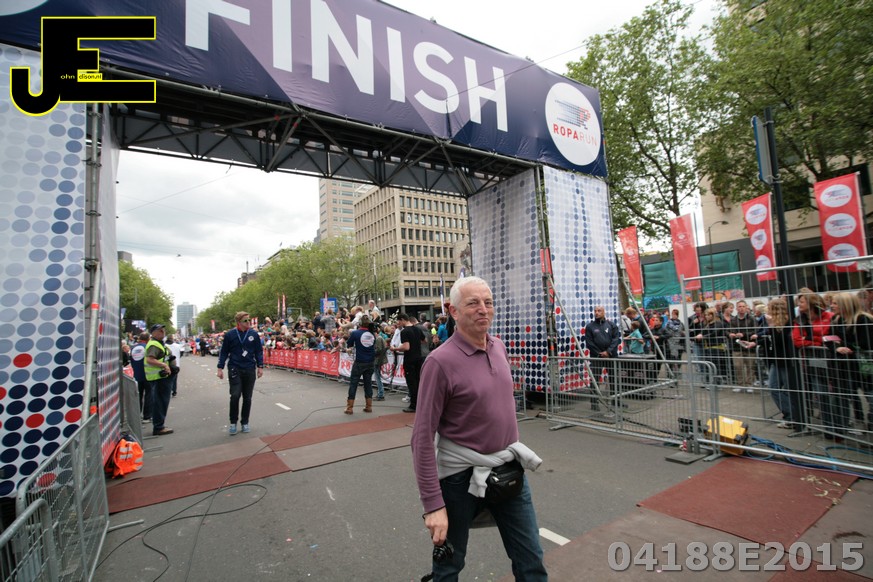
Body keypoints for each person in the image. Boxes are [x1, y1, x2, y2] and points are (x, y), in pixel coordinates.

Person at [411, 276, 547, 581]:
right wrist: (433, 505)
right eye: (473, 303)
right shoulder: (439, 363)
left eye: (488, 302)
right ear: (454, 311)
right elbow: (421, 438)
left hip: (508, 468)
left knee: (531, 559)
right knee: (449, 566)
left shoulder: (498, 347)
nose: (483, 309)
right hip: (459, 479)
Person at [217, 311, 264, 435]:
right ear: (238, 322)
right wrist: (220, 368)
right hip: (235, 367)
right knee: (235, 395)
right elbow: (224, 352)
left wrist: (260, 366)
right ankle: (233, 422)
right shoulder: (230, 335)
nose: (248, 322)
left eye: (249, 320)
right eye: (245, 321)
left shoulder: (253, 334)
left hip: (249, 368)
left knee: (247, 397)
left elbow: (258, 351)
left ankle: (245, 422)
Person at [583, 305, 621, 409]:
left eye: (599, 311)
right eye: (595, 311)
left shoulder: (611, 325)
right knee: (594, 380)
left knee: (614, 379)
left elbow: (616, 339)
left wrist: (608, 352)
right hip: (597, 357)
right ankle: (594, 404)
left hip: (611, 356)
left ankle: (616, 401)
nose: (596, 313)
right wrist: (600, 353)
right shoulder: (590, 326)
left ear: (604, 312)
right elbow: (589, 343)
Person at [144, 324, 174, 436]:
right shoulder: (154, 344)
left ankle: (159, 425)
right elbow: (149, 359)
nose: (162, 332)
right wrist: (164, 365)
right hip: (158, 377)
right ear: (153, 333)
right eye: (160, 330)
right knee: (160, 402)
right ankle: (158, 427)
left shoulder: (160, 343)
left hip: (162, 377)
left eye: (163, 330)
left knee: (161, 401)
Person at [393, 312, 426, 413]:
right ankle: (420, 403)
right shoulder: (417, 329)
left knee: (412, 383)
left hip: (410, 359)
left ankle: (413, 405)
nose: (398, 324)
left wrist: (395, 348)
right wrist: (416, 343)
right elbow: (424, 340)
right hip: (419, 358)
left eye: (399, 322)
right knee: (418, 381)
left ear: (403, 320)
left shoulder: (404, 331)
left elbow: (406, 347)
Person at [344, 315, 376, 414]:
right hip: (370, 362)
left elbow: (349, 344)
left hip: (359, 362)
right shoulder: (372, 334)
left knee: (353, 384)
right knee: (368, 384)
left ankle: (349, 408)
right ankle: (369, 406)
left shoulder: (355, 333)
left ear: (360, 323)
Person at [130, 331, 152, 422]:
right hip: (147, 375)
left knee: (138, 396)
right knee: (149, 395)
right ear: (148, 339)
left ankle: (137, 415)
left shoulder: (133, 348)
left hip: (136, 375)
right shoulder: (148, 347)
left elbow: (131, 361)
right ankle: (147, 416)